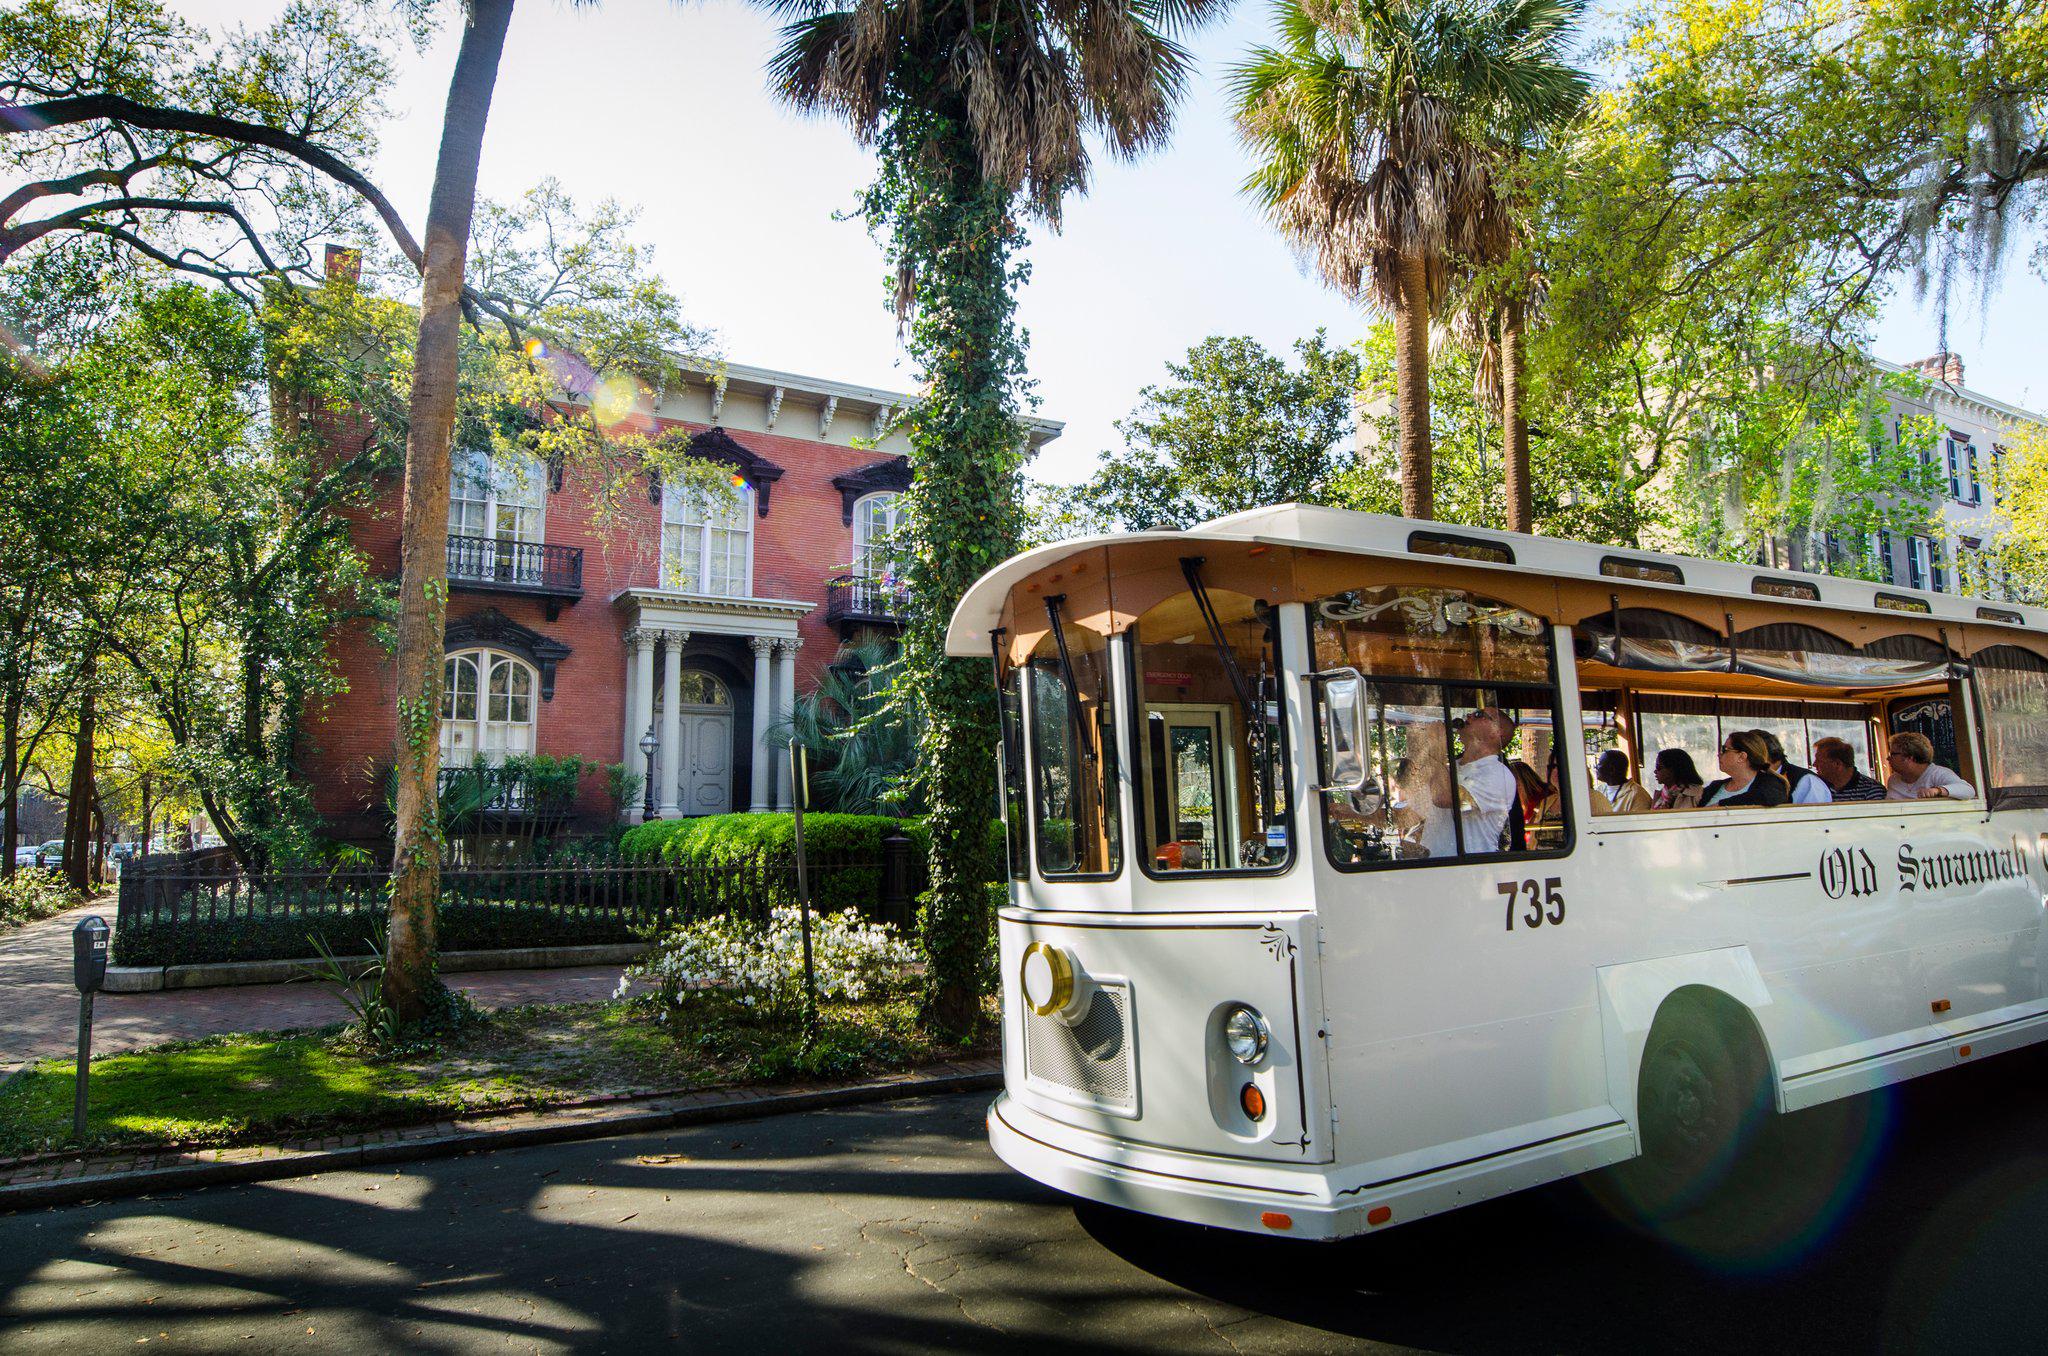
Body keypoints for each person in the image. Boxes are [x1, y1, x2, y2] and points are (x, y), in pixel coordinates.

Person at [1417, 707, 1520, 858]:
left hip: (1467, 870)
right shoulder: (1449, 768)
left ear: (1498, 732)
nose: (1469, 715)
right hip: (1433, 866)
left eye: (1479, 715)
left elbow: (1443, 798)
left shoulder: (1499, 776)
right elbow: (1417, 809)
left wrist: (1436, 750)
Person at [1702, 730, 1791, 807]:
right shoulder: (1714, 787)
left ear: (1741, 756)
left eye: (1724, 749)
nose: (1719, 754)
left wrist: (1720, 806)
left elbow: (1766, 796)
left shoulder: (1771, 785)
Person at [1884, 731, 1975, 800]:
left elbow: (1968, 790)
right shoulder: (1893, 779)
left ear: (1909, 757)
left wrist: (1938, 790)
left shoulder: (1937, 773)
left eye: (1892, 754)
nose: (1888, 759)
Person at [1754, 730, 1832, 805]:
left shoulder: (1807, 782)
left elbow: (1815, 815)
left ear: (1763, 755)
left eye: (1744, 756)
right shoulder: (1754, 779)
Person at [1812, 736, 1886, 802]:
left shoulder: (1872, 790)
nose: (1814, 765)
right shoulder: (1814, 787)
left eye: (1819, 761)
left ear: (1837, 764)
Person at [1592, 749, 1653, 815]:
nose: (1596, 767)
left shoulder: (1637, 795)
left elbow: (1638, 823)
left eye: (1599, 764)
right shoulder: (1600, 790)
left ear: (1612, 770)